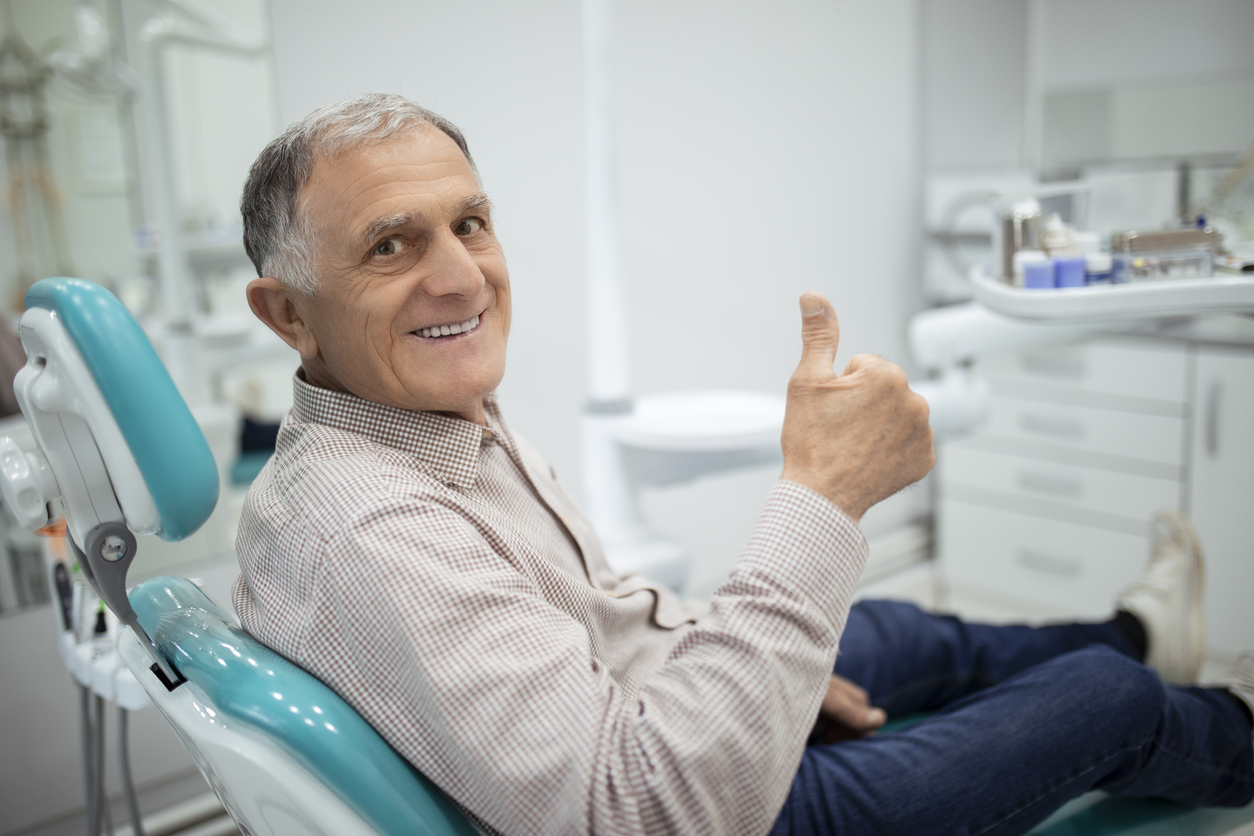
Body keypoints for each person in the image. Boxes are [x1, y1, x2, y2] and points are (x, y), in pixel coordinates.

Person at [234, 93, 1254, 836]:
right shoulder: (371, 524)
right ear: (287, 312)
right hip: (700, 809)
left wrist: (750, 671)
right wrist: (823, 492)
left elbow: (601, 627)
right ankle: (1228, 718)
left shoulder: (420, 423)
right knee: (1095, 701)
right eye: (391, 246)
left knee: (892, 629)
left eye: (470, 223)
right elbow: (645, 811)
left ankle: (1142, 632)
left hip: (650, 729)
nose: (462, 274)